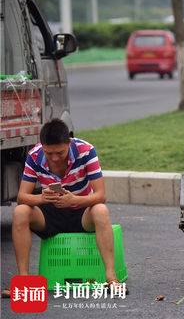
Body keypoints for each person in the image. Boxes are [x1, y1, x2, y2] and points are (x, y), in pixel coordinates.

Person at [3, 118, 125, 297]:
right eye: (49, 153)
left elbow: (100, 195)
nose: (54, 158)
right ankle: (24, 281)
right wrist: (42, 198)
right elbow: (22, 197)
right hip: (50, 214)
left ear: (69, 142)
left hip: (81, 213)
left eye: (60, 152)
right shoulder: (35, 155)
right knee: (21, 212)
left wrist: (74, 200)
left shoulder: (86, 151)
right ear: (42, 145)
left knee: (101, 210)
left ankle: (111, 278)